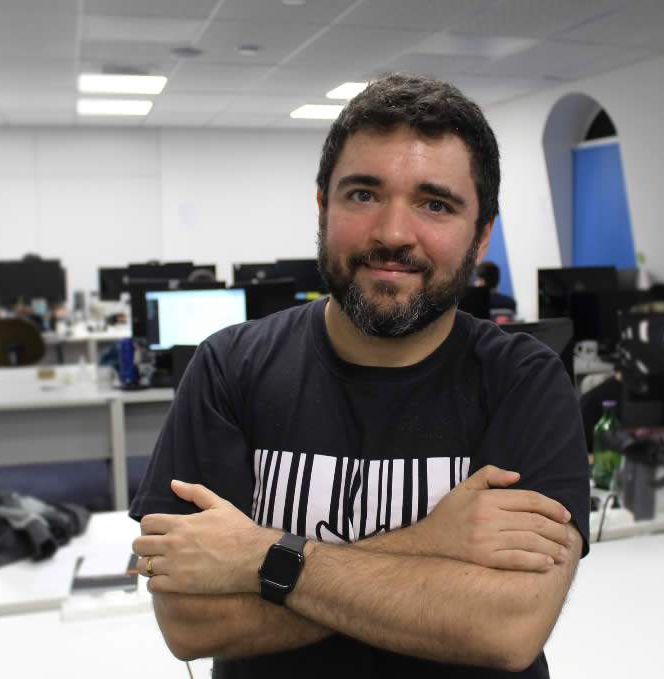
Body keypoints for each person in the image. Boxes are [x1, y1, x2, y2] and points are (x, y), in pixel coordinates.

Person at [129, 74, 590, 678]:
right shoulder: (228, 368)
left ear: (481, 236)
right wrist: (430, 542)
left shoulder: (525, 381)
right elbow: (192, 624)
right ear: (323, 206)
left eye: (435, 204)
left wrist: (258, 558)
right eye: (364, 194)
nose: (393, 234)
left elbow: (506, 627)